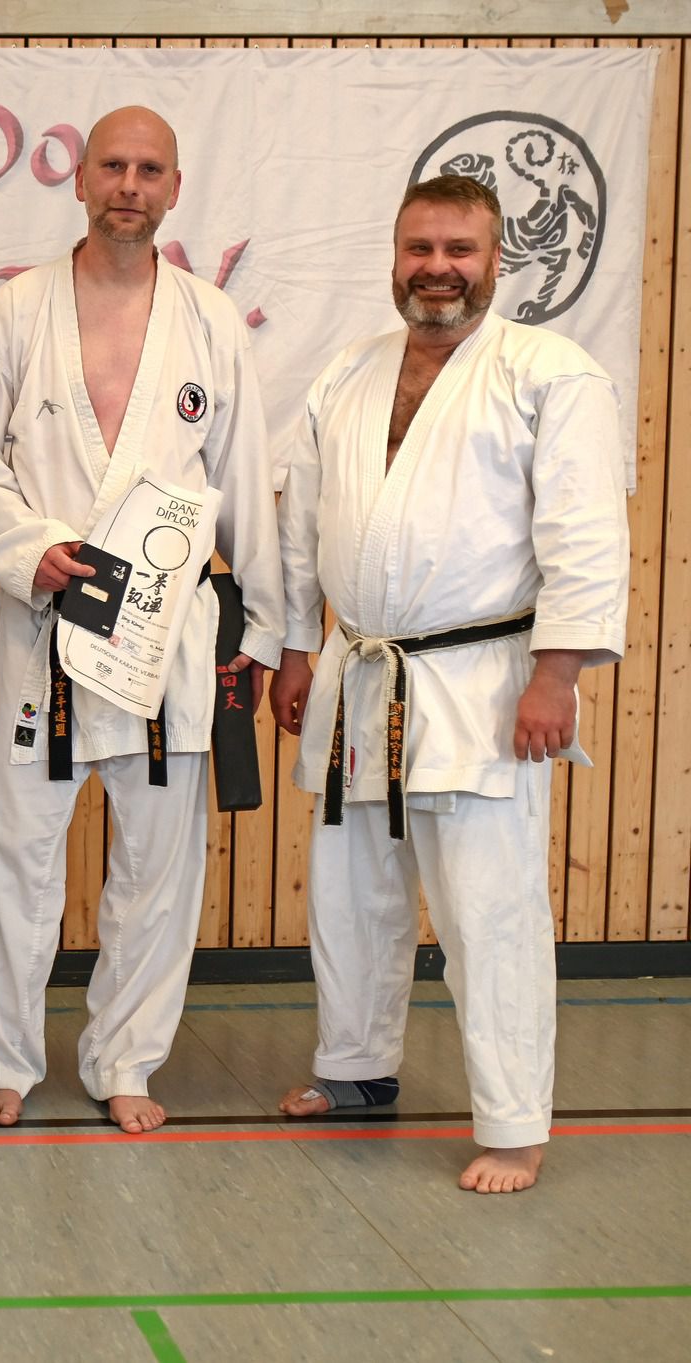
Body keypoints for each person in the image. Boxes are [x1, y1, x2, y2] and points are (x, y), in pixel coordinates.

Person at [271, 174, 629, 1194]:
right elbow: (302, 527)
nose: (437, 269)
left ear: (495, 260)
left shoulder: (548, 373)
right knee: (350, 894)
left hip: (482, 680)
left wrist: (555, 673)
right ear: (394, 258)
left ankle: (513, 1124)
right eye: (419, 249)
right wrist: (295, 648)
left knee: (488, 911)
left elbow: (584, 534)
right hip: (361, 674)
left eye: (458, 250)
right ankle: (353, 1069)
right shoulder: (349, 372)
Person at [0, 106, 285, 1134]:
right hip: (46, 623)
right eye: (112, 167)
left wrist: (261, 631)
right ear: (80, 178)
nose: (128, 186)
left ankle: (125, 1057)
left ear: (173, 188)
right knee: (18, 853)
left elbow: (243, 481)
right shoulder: (14, 311)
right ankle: (2, 1053)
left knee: (157, 862)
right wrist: (24, 550)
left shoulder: (209, 321)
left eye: (148, 170)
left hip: (164, 636)